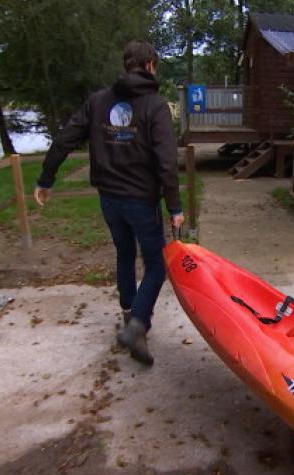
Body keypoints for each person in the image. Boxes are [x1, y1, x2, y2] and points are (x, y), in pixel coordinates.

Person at [34, 40, 184, 367]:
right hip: (141, 201)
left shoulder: (98, 101)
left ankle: (129, 312)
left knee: (125, 253)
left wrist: (46, 179)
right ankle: (137, 323)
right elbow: (167, 163)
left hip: (109, 199)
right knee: (158, 264)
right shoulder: (155, 106)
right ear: (149, 65)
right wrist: (174, 207)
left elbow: (64, 138)